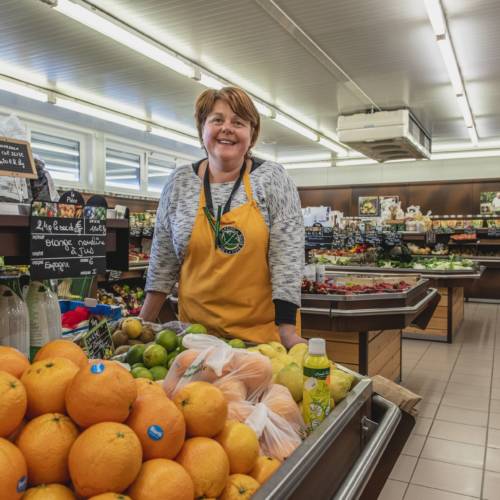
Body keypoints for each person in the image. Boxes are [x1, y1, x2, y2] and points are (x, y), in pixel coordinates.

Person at [140, 86, 305, 348]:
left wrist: (287, 331)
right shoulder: (179, 183)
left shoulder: (272, 179)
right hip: (193, 338)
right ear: (202, 129)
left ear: (251, 134)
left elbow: (287, 258)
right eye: (217, 120)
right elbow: (163, 260)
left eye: (238, 122)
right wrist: (142, 325)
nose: (227, 128)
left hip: (260, 341)